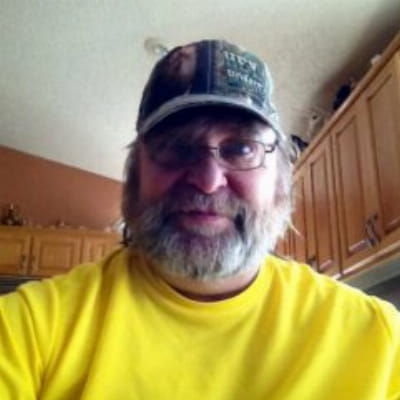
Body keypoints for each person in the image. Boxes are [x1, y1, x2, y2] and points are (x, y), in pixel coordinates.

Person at [0, 39, 399, 399]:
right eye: (176, 146)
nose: (208, 181)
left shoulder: (379, 342)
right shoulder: (30, 330)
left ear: (280, 182)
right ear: (134, 178)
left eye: (241, 148)